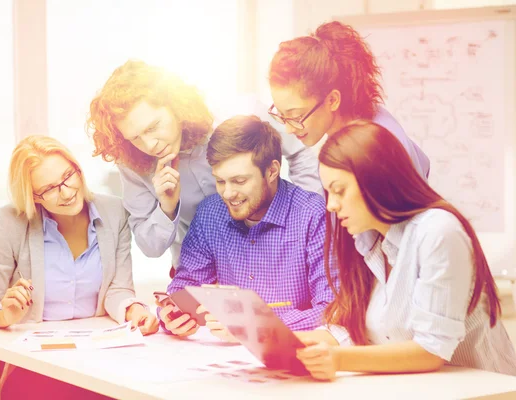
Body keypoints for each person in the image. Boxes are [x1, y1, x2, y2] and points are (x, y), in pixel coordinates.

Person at [294, 121, 516, 380]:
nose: (331, 205)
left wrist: (339, 359)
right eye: (328, 193)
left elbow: (431, 351)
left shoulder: (438, 232)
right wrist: (294, 344)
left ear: (375, 179)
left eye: (340, 191)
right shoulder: (368, 241)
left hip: (487, 390)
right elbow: (354, 330)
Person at [87, 60, 321, 277]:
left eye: (153, 127)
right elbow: (150, 247)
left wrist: (304, 224)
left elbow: (300, 153)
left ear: (175, 105)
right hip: (198, 269)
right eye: (135, 138)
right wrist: (167, 208)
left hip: (273, 256)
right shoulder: (131, 161)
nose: (149, 145)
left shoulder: (237, 112)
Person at [0, 136, 158, 399]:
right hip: (35, 365)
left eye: (68, 176)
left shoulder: (115, 211)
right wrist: (6, 316)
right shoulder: (10, 222)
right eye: (49, 189)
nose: (67, 192)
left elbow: (118, 290)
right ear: (33, 197)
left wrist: (134, 310)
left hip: (100, 358)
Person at [158, 115, 331, 340]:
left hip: (296, 354)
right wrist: (170, 313)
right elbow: (186, 285)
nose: (228, 193)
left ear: (272, 171)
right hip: (228, 361)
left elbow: (332, 309)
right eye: (220, 181)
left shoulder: (313, 214)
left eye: (239, 181)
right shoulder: (211, 212)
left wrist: (258, 327)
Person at [268, 20, 430, 191]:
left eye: (296, 116)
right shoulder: (355, 127)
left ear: (332, 100)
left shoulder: (376, 149)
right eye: (281, 115)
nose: (289, 129)